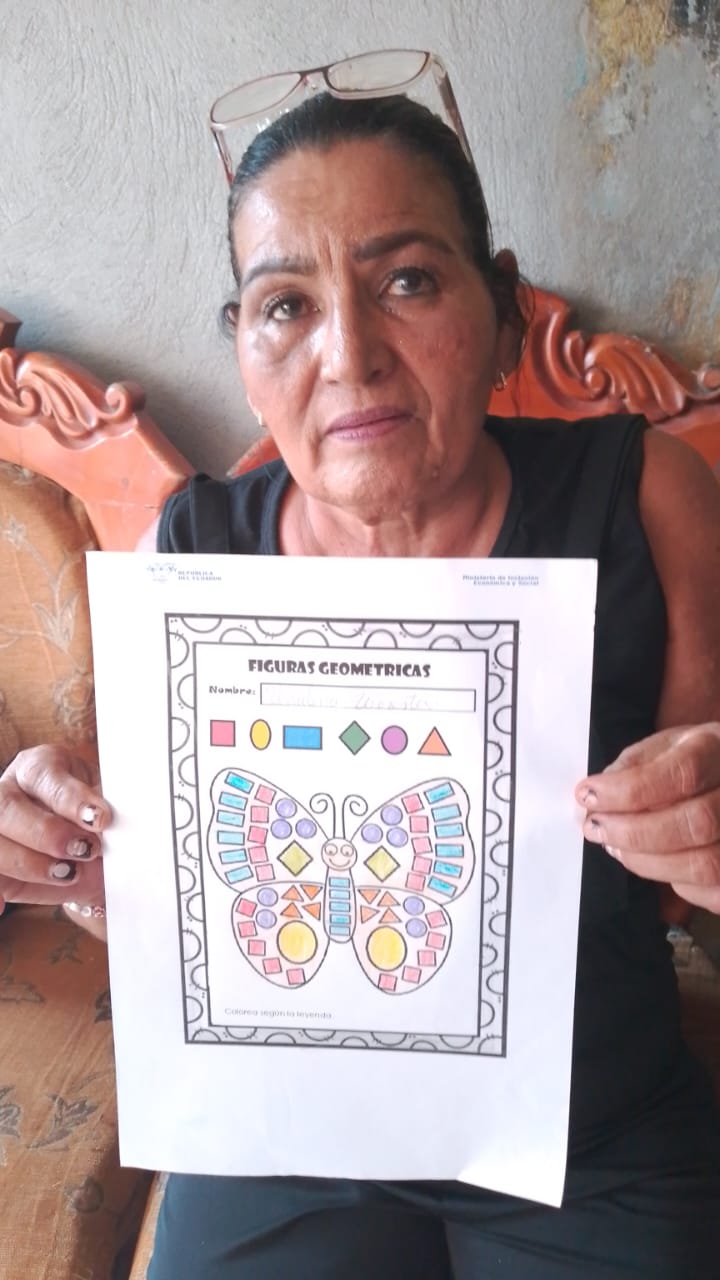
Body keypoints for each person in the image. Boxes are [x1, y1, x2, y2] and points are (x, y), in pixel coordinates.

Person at [1, 71, 720, 1280]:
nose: (349, 355)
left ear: (501, 310)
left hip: (586, 1129)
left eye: (408, 280)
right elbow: (167, 899)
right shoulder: (191, 553)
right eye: (285, 304)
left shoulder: (645, 499)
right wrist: (64, 851)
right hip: (277, 1135)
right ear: (244, 350)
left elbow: (683, 891)